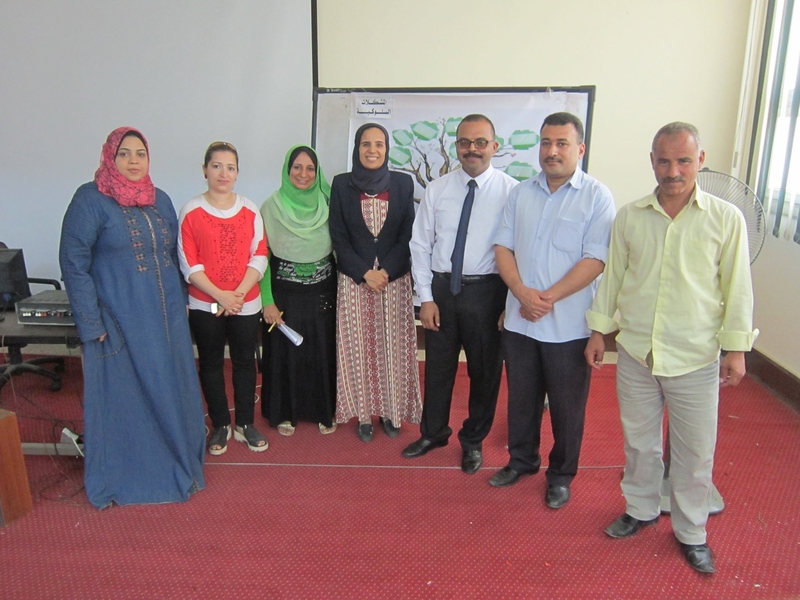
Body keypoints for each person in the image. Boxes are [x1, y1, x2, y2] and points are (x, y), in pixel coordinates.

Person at [584, 122, 758, 574]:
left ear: (701, 161)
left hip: (695, 356)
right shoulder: (630, 216)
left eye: (683, 160)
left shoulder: (726, 219)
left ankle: (691, 532)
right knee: (640, 445)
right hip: (637, 353)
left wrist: (736, 348)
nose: (673, 170)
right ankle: (640, 509)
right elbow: (613, 278)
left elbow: (737, 287)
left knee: (694, 453)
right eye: (664, 161)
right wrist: (599, 331)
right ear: (652, 162)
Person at [59, 127, 206, 508]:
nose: (133, 161)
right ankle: (130, 475)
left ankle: (179, 462)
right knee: (127, 397)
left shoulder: (160, 200)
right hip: (119, 321)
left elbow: (173, 257)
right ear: (110, 157)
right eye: (124, 153)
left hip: (166, 318)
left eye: (140, 153)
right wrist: (91, 322)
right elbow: (73, 264)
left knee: (170, 387)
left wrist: (183, 303)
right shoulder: (90, 200)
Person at [490, 112, 616, 508]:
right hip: (520, 321)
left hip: (568, 326)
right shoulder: (521, 193)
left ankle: (561, 475)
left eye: (562, 143)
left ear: (580, 149)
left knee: (566, 407)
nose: (552, 151)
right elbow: (503, 247)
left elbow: (595, 260)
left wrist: (545, 298)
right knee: (522, 400)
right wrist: (520, 293)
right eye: (546, 142)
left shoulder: (597, 197)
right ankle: (521, 460)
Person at [404, 114, 518, 472]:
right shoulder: (437, 190)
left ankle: (473, 441)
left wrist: (511, 303)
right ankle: (433, 433)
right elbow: (420, 245)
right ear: (456, 146)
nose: (472, 149)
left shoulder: (513, 193)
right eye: (465, 142)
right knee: (438, 369)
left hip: (488, 293)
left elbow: (521, 253)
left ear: (494, 147)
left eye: (480, 142)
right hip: (442, 292)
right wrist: (425, 298)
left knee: (485, 373)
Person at [329, 123, 422, 442]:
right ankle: (365, 416)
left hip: (393, 282)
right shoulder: (341, 184)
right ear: (357, 148)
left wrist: (387, 271)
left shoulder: (402, 183)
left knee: (392, 350)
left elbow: (408, 233)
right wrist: (364, 272)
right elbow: (338, 236)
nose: (372, 150)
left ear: (387, 149)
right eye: (366, 144)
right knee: (359, 350)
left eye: (379, 144)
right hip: (355, 282)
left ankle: (392, 413)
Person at [178, 141, 268, 455]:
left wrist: (237, 295)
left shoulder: (250, 209)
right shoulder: (191, 211)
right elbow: (189, 264)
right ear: (205, 170)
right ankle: (220, 425)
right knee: (211, 363)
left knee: (244, 362)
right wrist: (220, 296)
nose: (223, 173)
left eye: (230, 167)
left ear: (237, 173)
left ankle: (245, 423)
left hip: (246, 301)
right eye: (216, 166)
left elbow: (260, 255)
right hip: (205, 303)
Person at [260, 146, 337, 436]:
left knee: (322, 352)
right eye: (297, 167)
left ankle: (323, 411)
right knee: (286, 355)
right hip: (284, 297)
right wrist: (267, 301)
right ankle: (284, 412)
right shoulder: (271, 207)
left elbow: (339, 250)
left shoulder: (329, 203)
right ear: (287, 170)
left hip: (323, 295)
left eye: (310, 168)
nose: (303, 174)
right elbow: (262, 258)